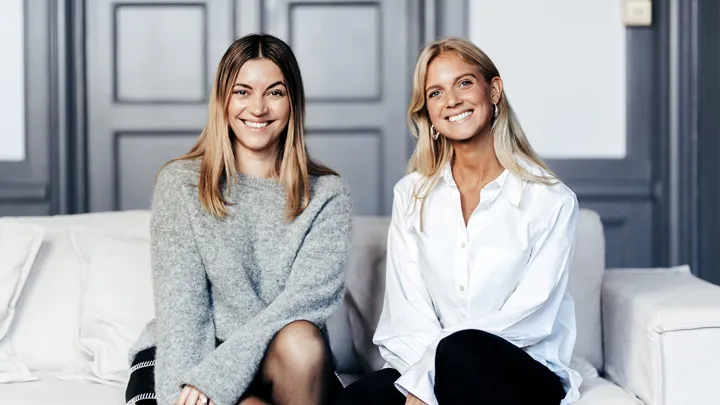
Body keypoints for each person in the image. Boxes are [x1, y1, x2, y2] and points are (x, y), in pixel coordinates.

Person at [334, 37, 581, 405]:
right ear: (428, 112)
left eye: (464, 83)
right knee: (355, 401)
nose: (451, 100)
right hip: (430, 366)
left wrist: (428, 378)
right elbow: (407, 312)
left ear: (493, 91)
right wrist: (424, 380)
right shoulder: (411, 195)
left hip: (519, 372)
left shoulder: (550, 200)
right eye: (435, 93)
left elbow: (528, 317)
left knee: (460, 350)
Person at [124, 33, 353, 405]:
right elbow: (183, 312)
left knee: (301, 339)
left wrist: (221, 375)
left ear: (293, 102)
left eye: (274, 92)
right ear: (223, 101)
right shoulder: (181, 183)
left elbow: (304, 303)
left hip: (282, 357)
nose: (258, 108)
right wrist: (189, 387)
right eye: (242, 92)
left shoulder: (328, 193)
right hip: (197, 353)